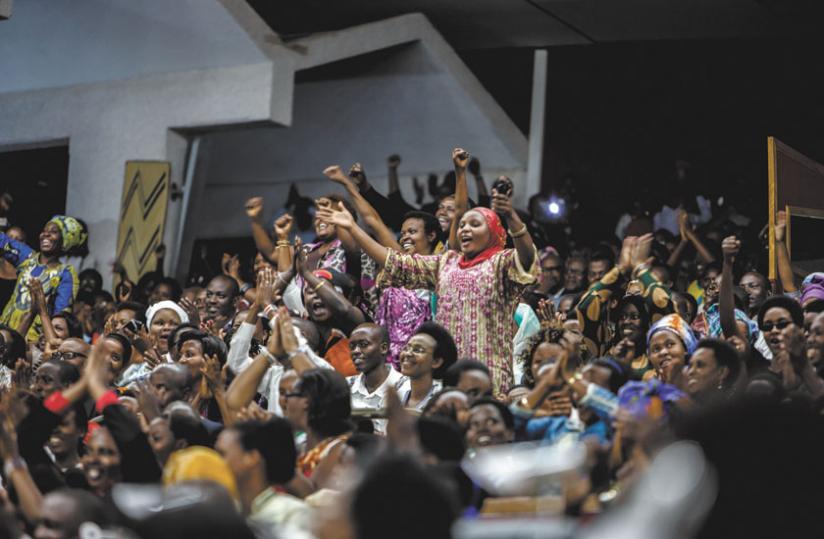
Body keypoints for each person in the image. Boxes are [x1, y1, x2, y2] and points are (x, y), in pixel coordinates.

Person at [316, 148, 538, 394]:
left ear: (496, 233)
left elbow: (527, 260)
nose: (464, 229)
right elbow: (394, 262)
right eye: (462, 225)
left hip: (490, 379)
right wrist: (352, 227)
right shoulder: (446, 263)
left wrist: (511, 217)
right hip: (445, 381)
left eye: (475, 224)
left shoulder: (501, 263)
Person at [216, 419, 313, 537]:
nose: (214, 461)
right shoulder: (223, 511)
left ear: (251, 457)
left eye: (221, 454)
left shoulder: (291, 514)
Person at [0, 215, 88, 339]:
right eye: (44, 231)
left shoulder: (66, 273)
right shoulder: (28, 258)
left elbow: (61, 318)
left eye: (53, 232)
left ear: (64, 241)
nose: (45, 235)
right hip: (4, 331)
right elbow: (3, 241)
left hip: (32, 342)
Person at [346, 323, 406, 433]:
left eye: (363, 344)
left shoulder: (407, 388)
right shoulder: (345, 386)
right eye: (352, 346)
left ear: (383, 348)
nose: (355, 351)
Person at [397, 322, 456, 411]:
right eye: (406, 348)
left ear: (436, 362)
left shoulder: (442, 402)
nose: (408, 353)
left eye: (418, 350)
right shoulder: (398, 390)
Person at [647, 313, 698, 390]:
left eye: (670, 344)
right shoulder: (648, 393)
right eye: (656, 349)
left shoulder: (703, 384)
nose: (663, 352)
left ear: (685, 347)